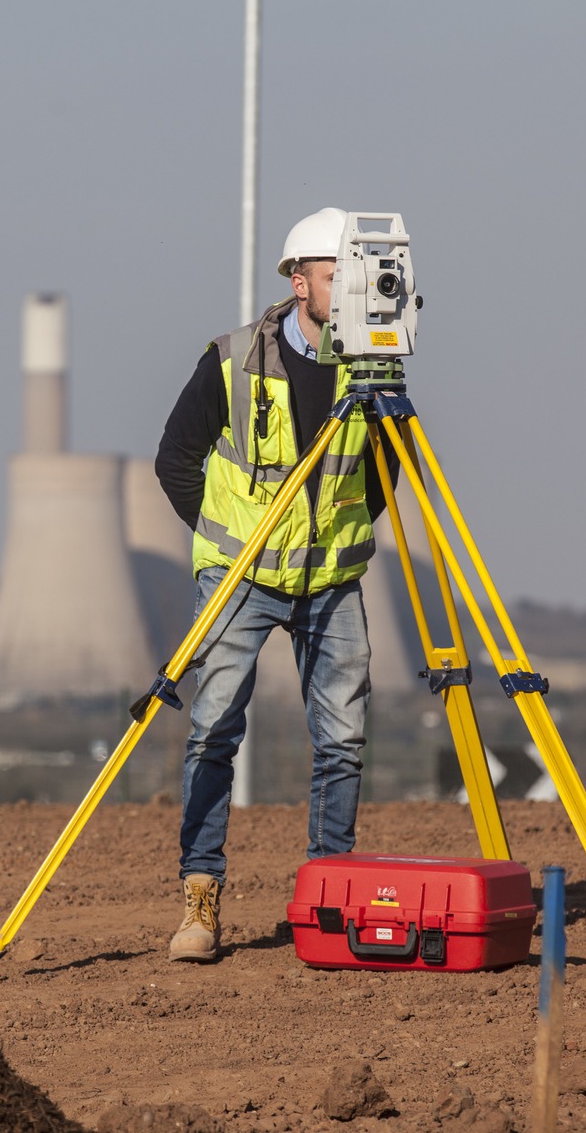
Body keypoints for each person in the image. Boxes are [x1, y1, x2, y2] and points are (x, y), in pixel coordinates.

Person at [154, 206, 394, 962]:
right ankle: (201, 895)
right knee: (213, 727)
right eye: (337, 276)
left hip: (332, 580)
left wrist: (334, 536)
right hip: (243, 575)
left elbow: (385, 473)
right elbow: (175, 460)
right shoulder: (230, 360)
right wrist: (225, 545)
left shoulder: (372, 367)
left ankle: (329, 892)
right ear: (300, 283)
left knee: (343, 738)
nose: (353, 289)